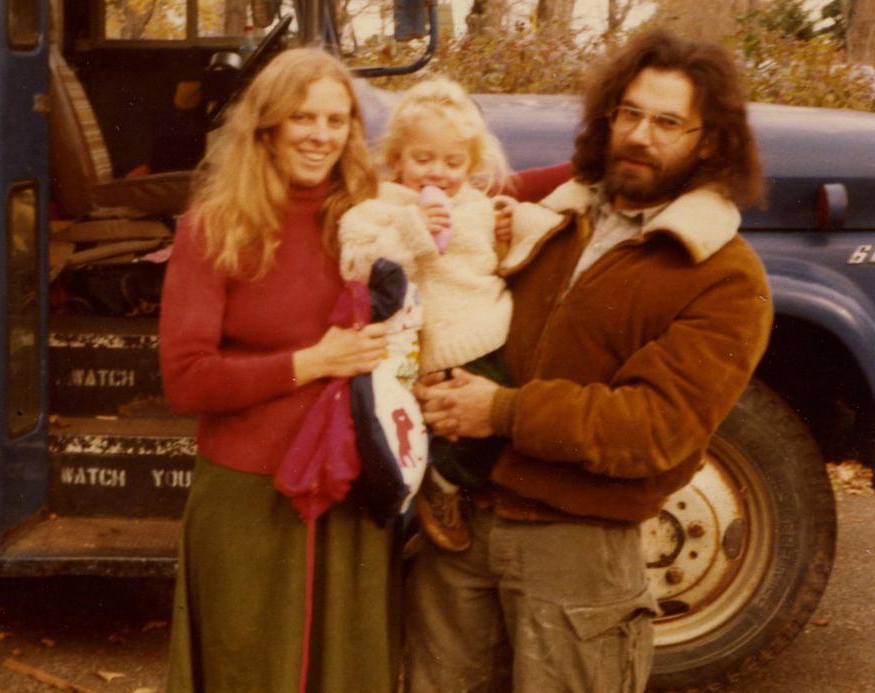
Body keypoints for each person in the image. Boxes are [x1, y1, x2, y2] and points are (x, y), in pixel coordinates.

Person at [405, 29, 774, 692]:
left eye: (667, 122)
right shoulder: (550, 223)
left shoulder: (722, 275)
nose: (639, 135)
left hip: (576, 543)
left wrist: (502, 410)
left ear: (711, 140)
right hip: (462, 534)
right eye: (628, 114)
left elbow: (656, 426)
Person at [158, 48, 399, 693]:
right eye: (303, 118)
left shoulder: (368, 218)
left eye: (337, 119)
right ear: (267, 125)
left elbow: (485, 189)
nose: (321, 136)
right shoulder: (213, 228)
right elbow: (186, 379)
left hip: (350, 484)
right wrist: (311, 363)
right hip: (250, 497)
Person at [336, 76, 561, 548]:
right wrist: (411, 231)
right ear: (396, 158)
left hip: (489, 335)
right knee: (442, 433)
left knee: (500, 427)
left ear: (472, 165)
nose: (438, 172)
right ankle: (439, 487)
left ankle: (461, 490)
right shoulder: (377, 208)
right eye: (423, 159)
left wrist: (513, 225)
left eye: (453, 162)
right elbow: (355, 267)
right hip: (424, 353)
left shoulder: (477, 207)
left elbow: (507, 259)